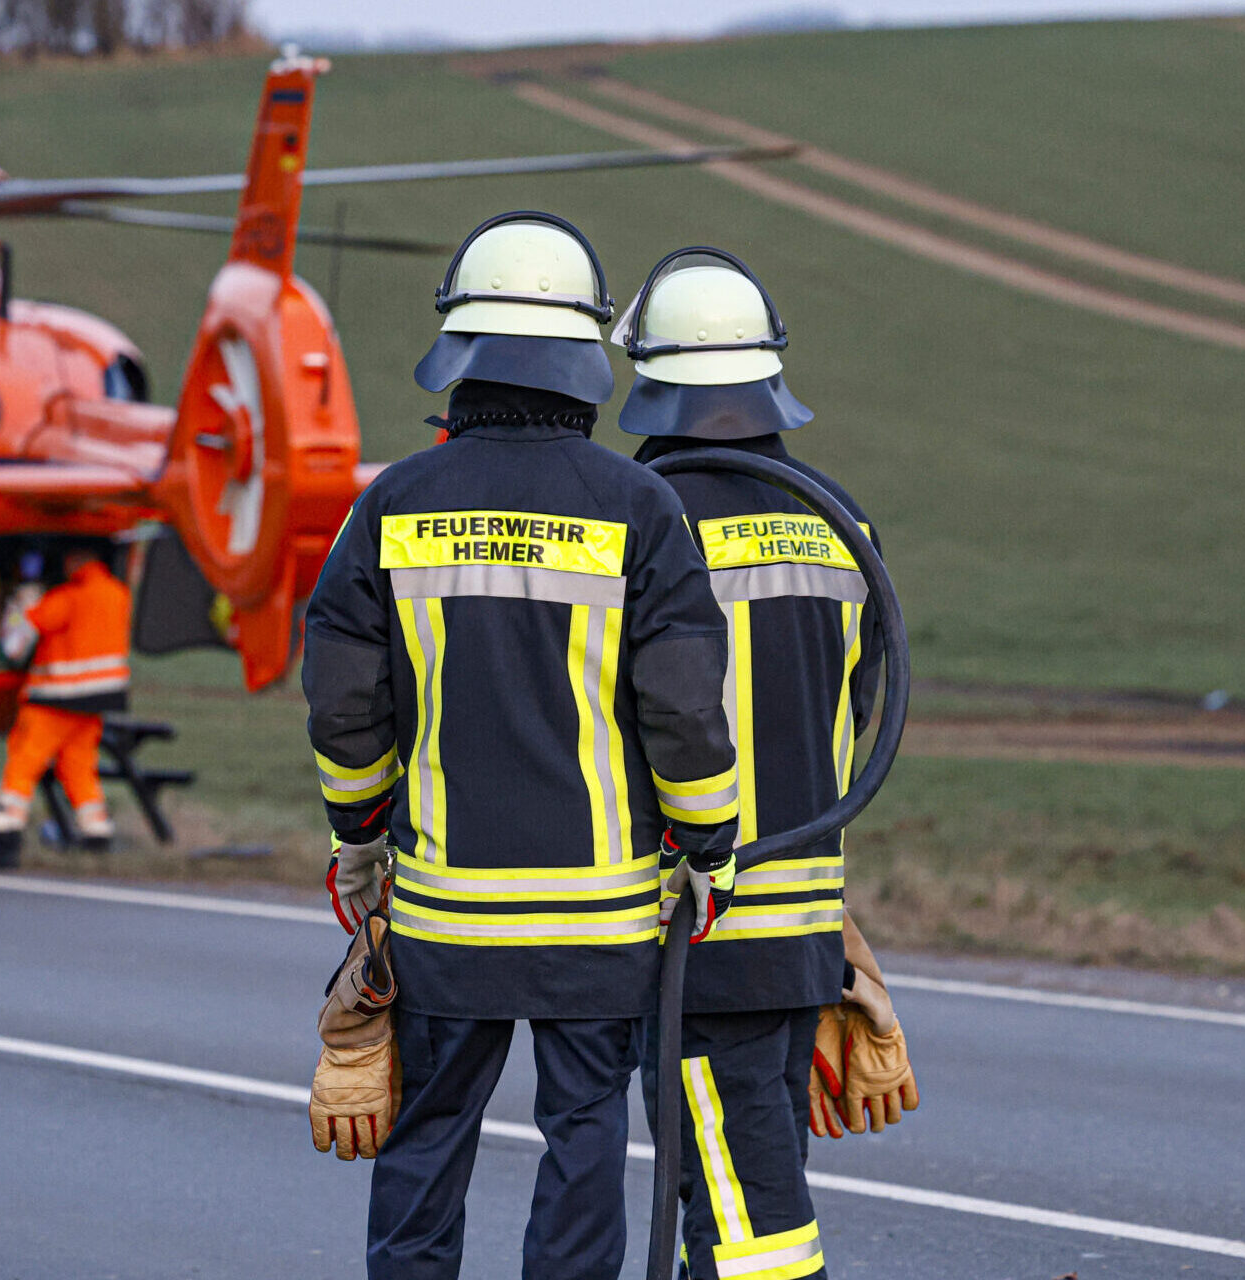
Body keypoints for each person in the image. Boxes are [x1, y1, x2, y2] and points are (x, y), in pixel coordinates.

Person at [302, 211, 741, 1280]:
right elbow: (684, 710)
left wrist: (357, 834)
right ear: (583, 359)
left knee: (426, 1133)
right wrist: (708, 844)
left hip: (445, 913)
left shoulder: (393, 502)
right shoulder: (640, 506)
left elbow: (342, 700)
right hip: (596, 924)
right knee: (584, 1142)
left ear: (459, 353)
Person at [614, 246, 917, 1280]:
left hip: (694, 921)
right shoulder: (842, 522)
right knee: (740, 1176)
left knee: (745, 1211)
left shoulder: (640, 519)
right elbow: (854, 710)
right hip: (800, 923)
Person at [0, 543, 132, 870]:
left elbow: (15, 641)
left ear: (75, 560)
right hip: (97, 700)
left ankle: (6, 837)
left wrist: (23, 601)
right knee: (79, 768)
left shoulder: (67, 598)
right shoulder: (119, 594)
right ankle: (97, 835)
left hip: (55, 698)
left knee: (23, 766)